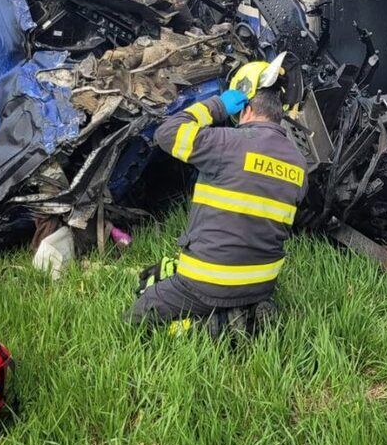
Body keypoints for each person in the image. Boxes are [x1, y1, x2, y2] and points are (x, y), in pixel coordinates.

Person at [128, 55, 307, 334]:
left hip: (206, 281)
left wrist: (216, 105)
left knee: (138, 315)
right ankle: (247, 311)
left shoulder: (226, 142)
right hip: (262, 282)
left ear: (244, 106)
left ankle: (209, 327)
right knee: (162, 272)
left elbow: (166, 133)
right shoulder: (299, 164)